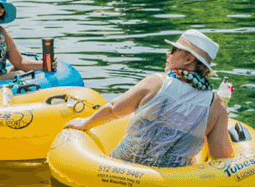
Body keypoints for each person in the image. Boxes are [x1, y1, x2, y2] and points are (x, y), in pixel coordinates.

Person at [65, 30, 233, 167]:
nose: (168, 54)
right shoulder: (216, 104)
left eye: (173, 50)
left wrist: (85, 123)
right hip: (173, 182)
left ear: (188, 59)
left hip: (122, 168)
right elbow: (221, 155)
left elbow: (114, 109)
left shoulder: (157, 82)